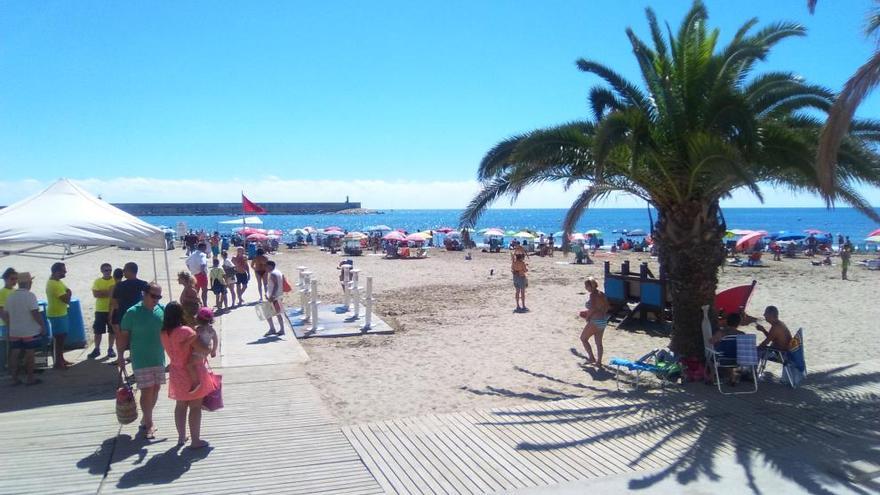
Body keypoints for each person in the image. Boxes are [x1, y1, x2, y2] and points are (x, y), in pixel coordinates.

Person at [159, 302, 214, 449]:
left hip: (176, 371)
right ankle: (195, 441)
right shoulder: (185, 331)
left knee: (180, 405)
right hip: (192, 371)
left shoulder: (164, 333)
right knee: (195, 407)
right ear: (180, 313)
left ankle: (181, 437)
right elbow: (203, 348)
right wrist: (209, 347)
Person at [117, 282, 166, 440]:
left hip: (158, 356)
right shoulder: (132, 312)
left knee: (156, 388)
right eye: (154, 296)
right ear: (144, 294)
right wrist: (120, 357)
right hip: (140, 357)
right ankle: (149, 423)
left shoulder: (161, 310)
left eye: (159, 296)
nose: (156, 299)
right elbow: (123, 336)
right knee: (147, 390)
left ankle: (146, 417)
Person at [5, 272, 47, 385]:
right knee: (30, 354)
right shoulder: (30, 296)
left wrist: (9, 329)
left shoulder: (10, 296)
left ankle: (14, 378)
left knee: (14, 354)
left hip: (14, 330)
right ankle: (30, 378)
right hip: (29, 330)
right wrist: (42, 326)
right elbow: (35, 313)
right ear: (28, 282)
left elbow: (6, 314)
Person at [45, 262, 72, 369]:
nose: (65, 272)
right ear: (57, 272)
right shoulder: (53, 284)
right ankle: (58, 362)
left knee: (62, 337)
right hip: (56, 314)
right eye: (63, 270)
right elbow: (66, 299)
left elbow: (67, 291)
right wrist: (69, 294)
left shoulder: (58, 281)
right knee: (59, 338)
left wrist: (68, 293)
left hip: (61, 313)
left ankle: (61, 359)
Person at [111, 262, 150, 336]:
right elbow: (148, 300)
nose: (123, 272)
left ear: (129, 271)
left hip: (124, 316)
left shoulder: (120, 285)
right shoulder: (144, 284)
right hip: (139, 315)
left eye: (124, 270)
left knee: (125, 340)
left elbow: (114, 303)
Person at [579, 276, 609, 368]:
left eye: (586, 286)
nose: (585, 288)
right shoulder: (602, 294)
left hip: (595, 321)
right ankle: (599, 362)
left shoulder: (593, 295)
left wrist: (588, 317)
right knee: (599, 343)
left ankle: (591, 358)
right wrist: (600, 312)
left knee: (583, 338)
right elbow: (607, 307)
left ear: (590, 286)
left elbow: (592, 308)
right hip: (603, 320)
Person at [88, 263, 117, 359]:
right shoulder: (98, 281)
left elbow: (114, 294)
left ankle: (110, 348)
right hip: (100, 309)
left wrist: (104, 292)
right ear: (102, 271)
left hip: (112, 309)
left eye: (109, 270)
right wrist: (109, 292)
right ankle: (97, 349)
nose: (108, 272)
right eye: (106, 270)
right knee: (98, 330)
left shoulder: (114, 281)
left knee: (112, 331)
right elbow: (96, 294)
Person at [187, 307, 218, 393]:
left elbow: (194, 338)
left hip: (198, 351)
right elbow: (215, 340)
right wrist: (213, 351)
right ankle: (200, 380)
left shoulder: (199, 329)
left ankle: (196, 382)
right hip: (204, 352)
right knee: (199, 365)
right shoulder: (212, 330)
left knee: (189, 365)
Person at [263, 260, 286, 336]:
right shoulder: (278, 272)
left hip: (274, 297)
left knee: (268, 313)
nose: (265, 267)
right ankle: (280, 329)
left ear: (270, 266)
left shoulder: (273, 274)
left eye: (266, 266)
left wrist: (271, 296)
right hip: (279, 295)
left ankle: (274, 329)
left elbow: (276, 285)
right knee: (278, 313)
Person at [186, 242, 209, 307]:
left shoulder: (193, 254)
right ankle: (205, 305)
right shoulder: (202, 254)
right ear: (203, 247)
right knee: (204, 290)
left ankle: (196, 304)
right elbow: (203, 263)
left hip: (194, 275)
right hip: (201, 275)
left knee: (196, 291)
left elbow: (187, 262)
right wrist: (202, 272)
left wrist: (191, 270)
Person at [511, 247, 529, 312]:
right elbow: (525, 270)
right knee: (522, 292)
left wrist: (516, 250)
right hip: (521, 278)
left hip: (515, 278)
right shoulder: (522, 263)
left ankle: (518, 305)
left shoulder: (514, 262)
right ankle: (523, 305)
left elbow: (512, 255)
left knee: (517, 292)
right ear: (521, 257)